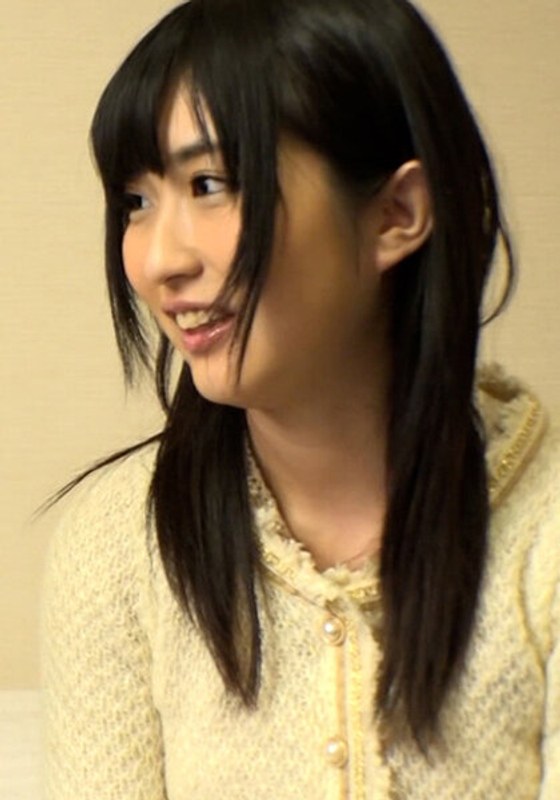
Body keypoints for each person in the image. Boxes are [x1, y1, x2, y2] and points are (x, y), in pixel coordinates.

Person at [41, 0, 560, 798]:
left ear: (396, 214)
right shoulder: (115, 547)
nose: (157, 261)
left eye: (209, 184)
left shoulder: (543, 536)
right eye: (136, 201)